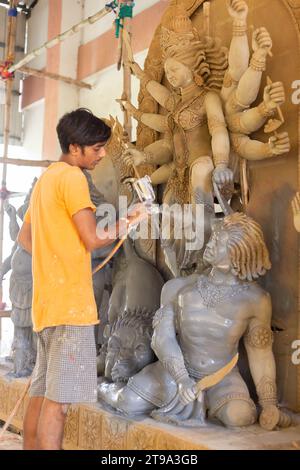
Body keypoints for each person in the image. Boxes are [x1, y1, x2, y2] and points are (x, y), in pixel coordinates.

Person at [18, 108, 147, 450]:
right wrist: (131, 220)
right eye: (96, 148)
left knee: (42, 391)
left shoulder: (46, 178)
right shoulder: (73, 178)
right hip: (71, 309)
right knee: (58, 406)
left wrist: (56, 259)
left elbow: (25, 238)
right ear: (75, 148)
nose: (102, 154)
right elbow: (93, 238)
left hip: (47, 305)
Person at [98, 213, 290, 430]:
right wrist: (182, 378)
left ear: (236, 253)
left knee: (241, 416)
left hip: (222, 378)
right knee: (128, 402)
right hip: (174, 373)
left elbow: (261, 353)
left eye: (218, 241)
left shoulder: (256, 300)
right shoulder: (179, 288)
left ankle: (213, 404)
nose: (210, 243)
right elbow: (162, 339)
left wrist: (269, 404)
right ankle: (104, 389)